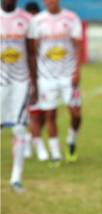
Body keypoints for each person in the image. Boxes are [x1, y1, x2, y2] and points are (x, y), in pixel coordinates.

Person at [28, 0, 83, 164]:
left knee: (76, 113)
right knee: (50, 114)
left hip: (68, 75)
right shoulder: (37, 21)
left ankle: (71, 139)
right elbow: (31, 49)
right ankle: (55, 154)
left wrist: (77, 71)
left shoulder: (71, 18)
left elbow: (78, 46)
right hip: (46, 77)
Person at [1, 0, 37, 193]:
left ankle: (16, 178)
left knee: (20, 129)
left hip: (20, 83)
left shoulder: (26, 19)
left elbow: (31, 54)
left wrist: (35, 84)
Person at [23, 1, 49, 161]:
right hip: (28, 77)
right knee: (33, 112)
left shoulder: (41, 30)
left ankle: (28, 138)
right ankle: (39, 145)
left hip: (46, 76)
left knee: (46, 113)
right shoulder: (23, 33)